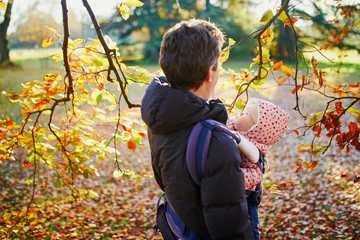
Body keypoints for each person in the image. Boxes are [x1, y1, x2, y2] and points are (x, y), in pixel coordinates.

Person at [141, 19, 254, 239]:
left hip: (181, 225)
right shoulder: (216, 142)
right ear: (209, 74)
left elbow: (162, 176)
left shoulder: (161, 116)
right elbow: (231, 231)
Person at [227, 97, 290, 240]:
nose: (241, 115)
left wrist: (235, 175)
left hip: (246, 199)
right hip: (233, 196)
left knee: (250, 229)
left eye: (246, 115)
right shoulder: (236, 128)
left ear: (255, 130)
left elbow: (255, 175)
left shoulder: (255, 153)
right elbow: (226, 120)